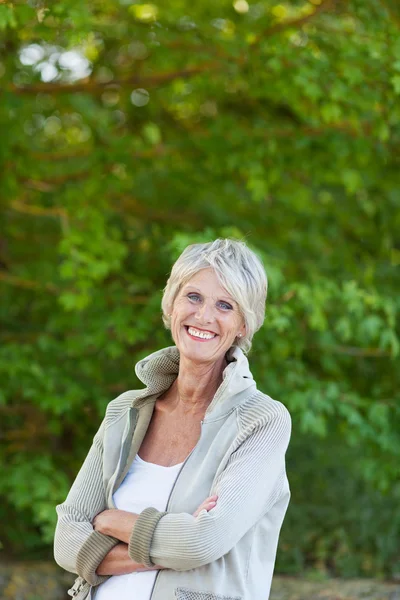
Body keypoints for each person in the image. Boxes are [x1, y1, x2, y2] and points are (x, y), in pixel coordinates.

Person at [54, 238, 291, 600]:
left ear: (243, 324)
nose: (204, 316)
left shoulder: (261, 421)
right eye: (193, 297)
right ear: (172, 304)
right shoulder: (125, 412)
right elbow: (67, 540)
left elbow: (201, 543)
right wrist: (166, 547)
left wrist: (116, 524)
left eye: (225, 305)